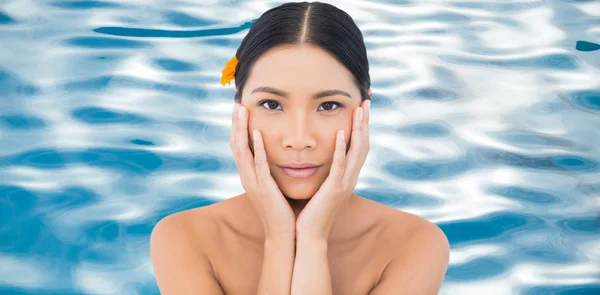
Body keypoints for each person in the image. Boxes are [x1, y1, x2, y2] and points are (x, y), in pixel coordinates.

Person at [150, 1, 450, 294]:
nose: (299, 138)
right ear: (239, 110)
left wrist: (312, 239)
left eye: (329, 105)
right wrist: (279, 238)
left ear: (364, 110)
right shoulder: (184, 238)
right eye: (271, 104)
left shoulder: (414, 243)